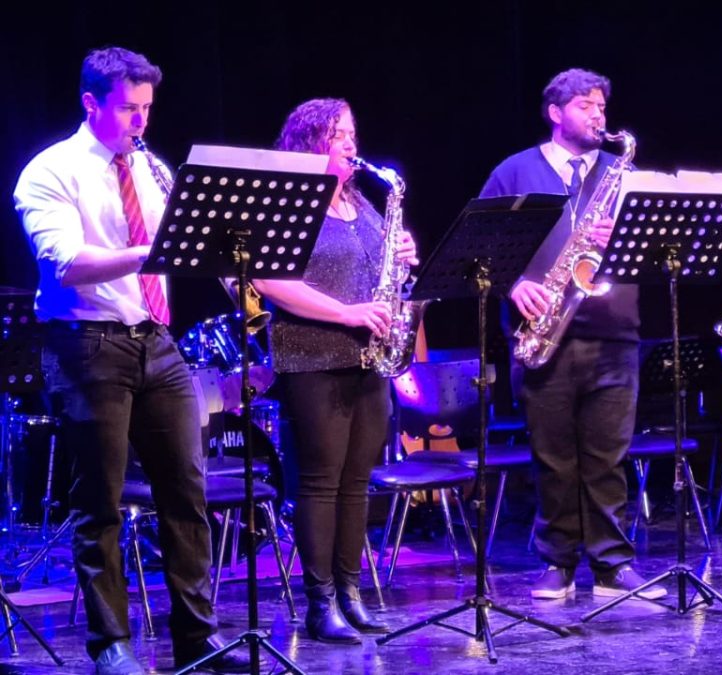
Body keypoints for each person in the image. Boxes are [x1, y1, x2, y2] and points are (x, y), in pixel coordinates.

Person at [13, 47, 247, 674]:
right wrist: (151, 251)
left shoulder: (154, 167)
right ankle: (111, 645)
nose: (141, 122)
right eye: (127, 109)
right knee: (102, 504)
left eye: (147, 108)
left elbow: (189, 248)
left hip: (156, 340)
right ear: (91, 104)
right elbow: (66, 261)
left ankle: (197, 640)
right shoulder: (49, 171)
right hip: (88, 343)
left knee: (185, 494)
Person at [479, 68, 665, 601]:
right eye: (586, 105)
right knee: (554, 458)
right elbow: (482, 251)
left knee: (610, 456)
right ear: (556, 113)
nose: (598, 114)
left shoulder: (622, 172)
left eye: (602, 106)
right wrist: (513, 286)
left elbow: (653, 256)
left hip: (613, 331)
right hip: (542, 333)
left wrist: (628, 238)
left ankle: (612, 565)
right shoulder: (514, 172)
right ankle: (557, 561)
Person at [253, 98, 418, 642]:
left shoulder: (363, 203)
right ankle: (319, 601)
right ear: (307, 143)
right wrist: (346, 312)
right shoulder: (288, 205)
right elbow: (270, 281)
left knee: (356, 481)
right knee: (320, 483)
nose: (350, 143)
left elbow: (379, 265)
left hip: (369, 356)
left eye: (351, 132)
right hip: (311, 354)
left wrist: (402, 255)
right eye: (336, 134)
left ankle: (351, 590)